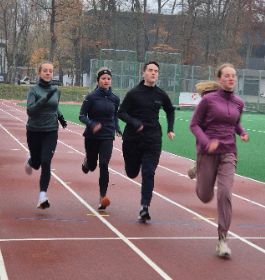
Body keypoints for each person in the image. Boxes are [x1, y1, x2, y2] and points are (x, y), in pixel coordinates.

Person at [189, 63, 249, 258]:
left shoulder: (239, 102)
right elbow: (194, 125)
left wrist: (241, 132)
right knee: (205, 196)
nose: (231, 78)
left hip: (228, 152)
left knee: (225, 193)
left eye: (234, 75)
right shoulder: (208, 100)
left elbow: (235, 123)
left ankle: (222, 239)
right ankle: (198, 167)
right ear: (219, 79)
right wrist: (207, 142)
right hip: (207, 152)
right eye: (227, 75)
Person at [118, 61, 175, 222]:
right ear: (143, 73)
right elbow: (121, 113)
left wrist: (170, 128)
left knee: (149, 172)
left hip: (153, 138)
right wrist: (134, 122)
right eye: (150, 70)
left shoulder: (160, 94)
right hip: (132, 139)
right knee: (132, 172)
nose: (153, 73)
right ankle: (131, 167)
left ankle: (144, 207)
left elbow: (170, 110)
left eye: (156, 71)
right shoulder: (133, 93)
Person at [25, 61, 67, 209]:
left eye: (50, 71)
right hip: (34, 130)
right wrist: (44, 99)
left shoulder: (56, 90)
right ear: (39, 73)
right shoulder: (33, 90)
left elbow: (55, 107)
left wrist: (60, 117)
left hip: (50, 131)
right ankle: (30, 161)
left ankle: (42, 196)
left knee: (46, 161)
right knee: (36, 162)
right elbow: (30, 111)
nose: (48, 73)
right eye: (45, 70)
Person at [79, 67, 121, 211]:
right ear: (98, 81)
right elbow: (82, 116)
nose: (106, 81)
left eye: (108, 79)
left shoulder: (115, 98)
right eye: (103, 78)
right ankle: (87, 162)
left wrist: (118, 128)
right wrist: (92, 124)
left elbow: (115, 116)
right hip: (92, 136)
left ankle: (102, 197)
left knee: (104, 164)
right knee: (92, 166)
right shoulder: (90, 97)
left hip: (107, 135)